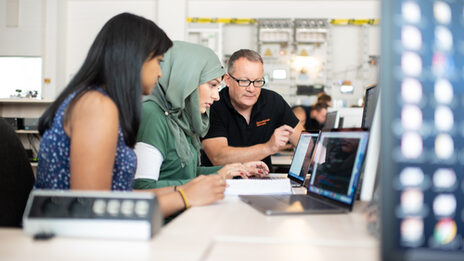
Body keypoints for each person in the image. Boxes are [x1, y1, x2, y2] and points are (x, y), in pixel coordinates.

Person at [34, 13, 226, 218]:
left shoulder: (99, 101)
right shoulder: (97, 106)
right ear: (136, 59)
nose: (161, 73)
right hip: (69, 239)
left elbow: (118, 194)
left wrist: (183, 190)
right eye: (159, 61)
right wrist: (183, 198)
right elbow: (91, 206)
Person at [134, 41, 269, 190]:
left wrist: (235, 169)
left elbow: (188, 174)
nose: (217, 96)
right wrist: (217, 177)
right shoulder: (152, 115)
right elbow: (142, 188)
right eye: (212, 85)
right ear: (185, 80)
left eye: (218, 87)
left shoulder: (180, 118)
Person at [201, 49, 304, 168]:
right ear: (228, 80)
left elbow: (305, 145)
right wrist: (268, 148)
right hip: (223, 183)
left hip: (263, 181)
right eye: (244, 81)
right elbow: (219, 157)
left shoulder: (273, 101)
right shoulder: (213, 105)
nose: (252, 89)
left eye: (257, 81)